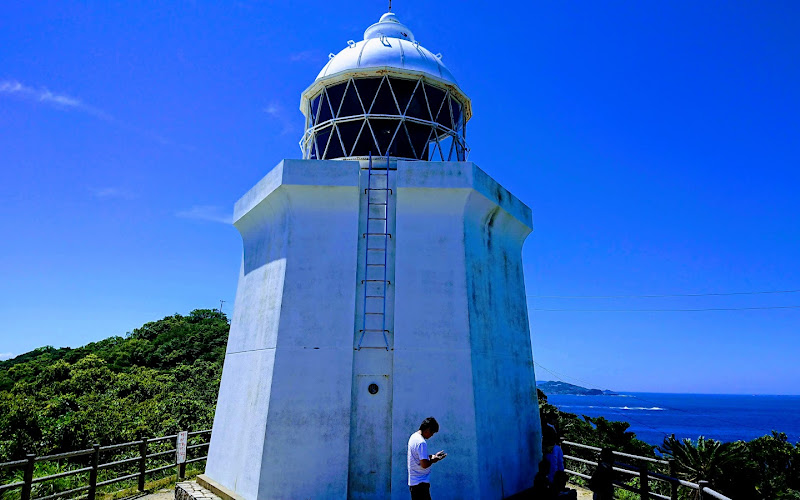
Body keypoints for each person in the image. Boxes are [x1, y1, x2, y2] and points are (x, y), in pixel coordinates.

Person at [408, 417, 447, 500]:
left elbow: (418, 457)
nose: (432, 435)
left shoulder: (413, 437)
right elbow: (424, 464)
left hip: (414, 483)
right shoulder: (421, 442)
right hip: (420, 484)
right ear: (427, 429)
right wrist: (434, 460)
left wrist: (432, 456)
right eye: (432, 432)